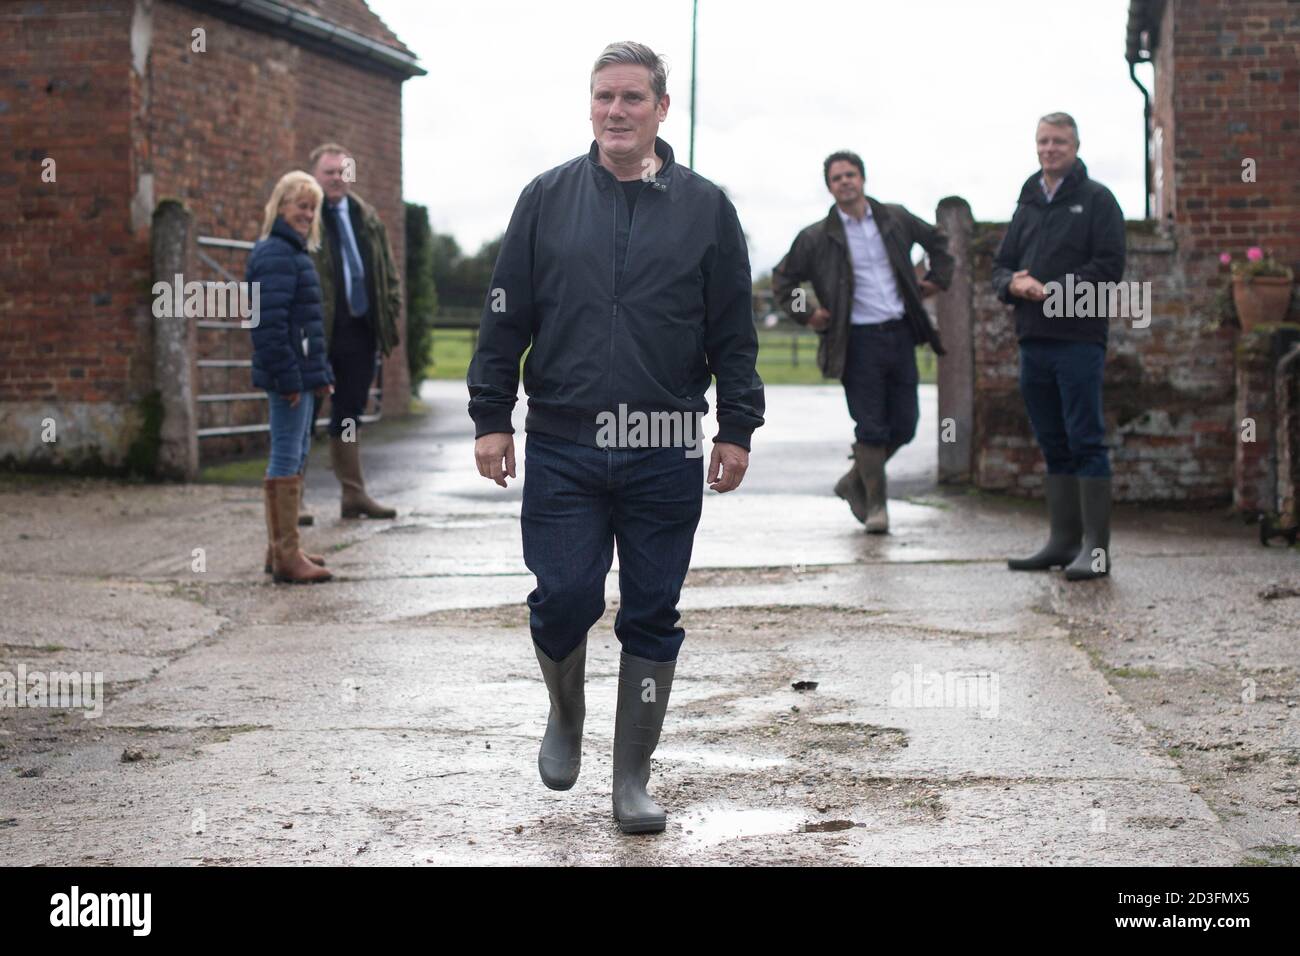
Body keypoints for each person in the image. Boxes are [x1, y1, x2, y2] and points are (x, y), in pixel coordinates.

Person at [467, 41, 764, 834]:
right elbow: (505, 314)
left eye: (632, 98)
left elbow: (735, 330)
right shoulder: (546, 198)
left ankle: (630, 779)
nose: (616, 112)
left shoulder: (707, 208)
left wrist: (737, 426)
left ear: (663, 109)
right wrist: (491, 415)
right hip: (565, 441)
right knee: (563, 597)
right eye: (604, 98)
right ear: (589, 105)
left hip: (666, 444)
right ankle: (565, 711)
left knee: (652, 611)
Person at [772, 150, 951, 533]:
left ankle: (855, 479)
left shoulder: (895, 218)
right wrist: (809, 313)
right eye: (837, 178)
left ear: (863, 179)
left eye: (850, 174)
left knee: (905, 425)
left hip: (900, 332)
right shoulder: (816, 237)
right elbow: (784, 282)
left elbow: (939, 243)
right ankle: (876, 507)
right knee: (870, 426)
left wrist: (936, 280)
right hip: (855, 341)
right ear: (830, 187)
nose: (845, 182)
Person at [992, 112, 1125, 581]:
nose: (1051, 149)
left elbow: (1109, 267)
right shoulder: (1028, 204)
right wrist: (1014, 284)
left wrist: (1052, 289)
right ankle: (1063, 541)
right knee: (1052, 442)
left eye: (1060, 142)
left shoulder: (1097, 200)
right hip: (1034, 341)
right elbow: (1000, 268)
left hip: (1079, 340)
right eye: (1044, 141)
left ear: (1076, 146)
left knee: (1085, 438)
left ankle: (1096, 549)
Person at [247, 171, 334, 584]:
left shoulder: (294, 252)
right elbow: (268, 325)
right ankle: (286, 557)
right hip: (289, 379)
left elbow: (307, 327)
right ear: (281, 206)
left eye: (312, 208)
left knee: (296, 453)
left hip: (301, 377)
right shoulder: (276, 254)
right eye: (300, 205)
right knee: (285, 455)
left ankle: (281, 548)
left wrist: (320, 375)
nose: (307, 213)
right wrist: (287, 379)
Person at [308, 143, 402, 520]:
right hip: (318, 332)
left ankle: (353, 493)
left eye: (342, 171)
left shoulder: (365, 216)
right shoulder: (305, 214)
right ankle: (293, 497)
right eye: (328, 171)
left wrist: (389, 309)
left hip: (359, 330)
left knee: (349, 414)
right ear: (315, 176)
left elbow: (387, 271)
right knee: (304, 413)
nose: (336, 178)